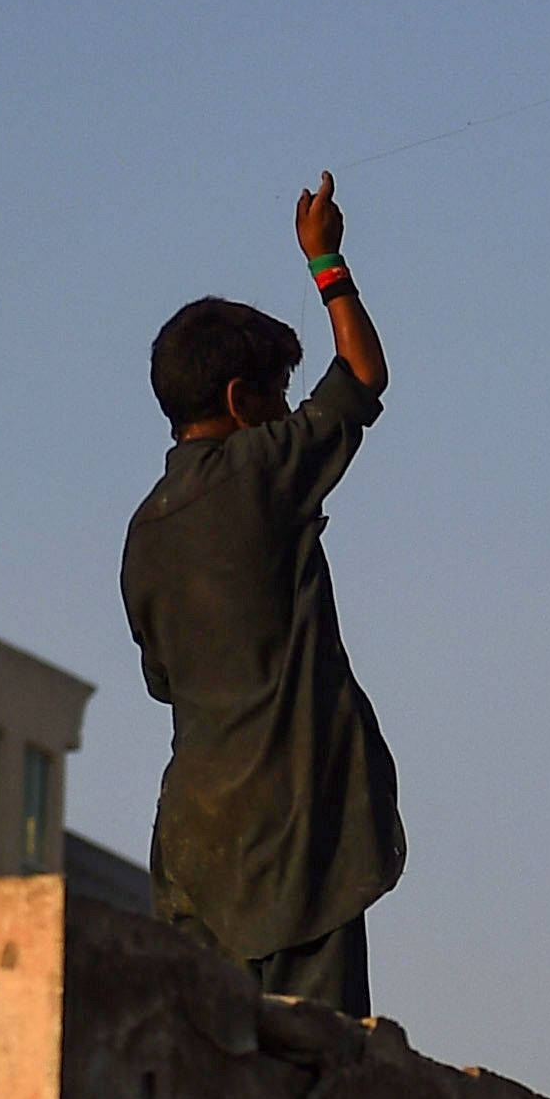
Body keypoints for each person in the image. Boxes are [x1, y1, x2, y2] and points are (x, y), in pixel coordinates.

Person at [119, 171, 402, 1014]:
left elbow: (165, 679)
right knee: (314, 1081)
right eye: (279, 395)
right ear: (242, 403)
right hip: (297, 841)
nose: (289, 412)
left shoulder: (144, 531)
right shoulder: (263, 469)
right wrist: (327, 260)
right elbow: (362, 371)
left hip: (196, 855)